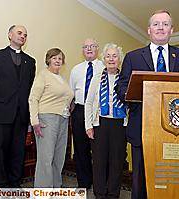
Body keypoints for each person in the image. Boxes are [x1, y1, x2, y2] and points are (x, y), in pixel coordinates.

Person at [115, 10, 179, 199]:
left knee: (170, 178)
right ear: (149, 30)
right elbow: (121, 88)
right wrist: (139, 95)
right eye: (156, 24)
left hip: (176, 130)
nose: (161, 27)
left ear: (172, 30)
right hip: (142, 126)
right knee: (141, 180)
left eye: (165, 24)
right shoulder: (132, 57)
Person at [0, 25, 36, 188]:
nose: (23, 36)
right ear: (9, 34)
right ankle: (2, 183)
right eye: (19, 33)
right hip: (2, 112)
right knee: (1, 150)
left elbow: (29, 87)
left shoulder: (30, 61)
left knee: (18, 151)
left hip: (21, 114)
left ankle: (15, 182)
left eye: (25, 35)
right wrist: (1, 101)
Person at [85, 43, 127, 198]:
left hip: (119, 124)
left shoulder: (125, 78)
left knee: (117, 162)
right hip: (100, 123)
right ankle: (100, 194)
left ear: (119, 59)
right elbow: (88, 103)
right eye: (108, 56)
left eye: (114, 56)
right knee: (99, 162)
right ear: (103, 59)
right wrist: (88, 125)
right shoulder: (96, 78)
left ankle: (113, 194)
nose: (111, 59)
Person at [29, 48, 74, 187]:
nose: (57, 60)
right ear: (48, 60)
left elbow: (67, 98)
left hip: (63, 120)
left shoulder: (62, 79)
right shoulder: (43, 75)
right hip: (46, 120)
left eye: (60, 58)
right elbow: (33, 98)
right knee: (46, 159)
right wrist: (35, 121)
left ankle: (55, 188)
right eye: (54, 58)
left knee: (59, 158)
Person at [69, 38, 104, 189]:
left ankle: (99, 183)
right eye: (85, 47)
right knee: (80, 149)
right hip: (79, 111)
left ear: (97, 49)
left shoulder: (105, 66)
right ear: (82, 50)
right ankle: (84, 183)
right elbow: (70, 93)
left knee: (98, 149)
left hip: (98, 112)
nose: (89, 49)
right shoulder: (75, 69)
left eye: (92, 46)